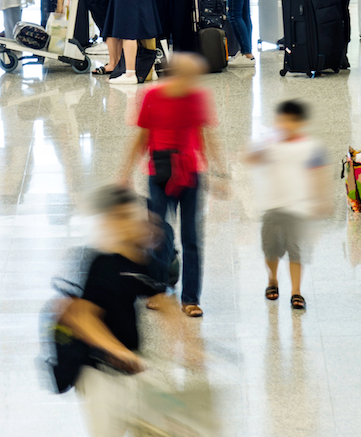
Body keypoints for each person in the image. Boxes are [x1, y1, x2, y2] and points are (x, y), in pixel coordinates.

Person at [55, 184, 176, 434]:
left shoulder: (143, 262)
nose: (149, 225)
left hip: (130, 366)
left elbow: (162, 299)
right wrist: (122, 354)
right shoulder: (102, 267)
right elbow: (84, 320)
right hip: (97, 370)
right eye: (137, 219)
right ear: (116, 223)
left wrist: (192, 344)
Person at [117, 53, 223, 317]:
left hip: (190, 173)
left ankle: (190, 298)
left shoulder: (197, 97)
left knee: (192, 238)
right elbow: (142, 136)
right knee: (157, 234)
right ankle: (157, 290)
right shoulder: (152, 96)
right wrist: (125, 172)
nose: (194, 82)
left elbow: (206, 135)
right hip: (159, 173)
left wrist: (220, 173)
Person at [245, 99, 327, 311]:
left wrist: (320, 200)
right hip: (272, 206)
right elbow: (250, 159)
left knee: (295, 251)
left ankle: (296, 291)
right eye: (283, 120)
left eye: (291, 121)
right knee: (270, 250)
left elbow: (319, 173)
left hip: (298, 208)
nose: (286, 125)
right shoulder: (269, 143)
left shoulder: (310, 146)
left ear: (300, 123)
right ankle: (272, 280)